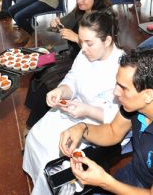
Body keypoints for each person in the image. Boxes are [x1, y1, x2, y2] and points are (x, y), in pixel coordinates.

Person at [59, 47, 153, 194]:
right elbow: (113, 131)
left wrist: (105, 181)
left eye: (123, 88)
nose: (115, 92)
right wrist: (82, 128)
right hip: (138, 174)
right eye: (117, 84)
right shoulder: (139, 103)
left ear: (148, 95)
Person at [23, 11, 123, 194]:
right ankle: (39, 180)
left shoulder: (121, 66)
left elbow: (117, 117)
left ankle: (53, 187)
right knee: (35, 135)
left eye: (89, 43)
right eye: (82, 41)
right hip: (76, 108)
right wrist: (60, 91)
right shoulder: (85, 54)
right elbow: (72, 80)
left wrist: (87, 110)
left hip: (98, 123)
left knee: (53, 156)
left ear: (107, 41)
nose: (83, 48)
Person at [25, 0, 112, 128]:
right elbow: (65, 21)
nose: (79, 1)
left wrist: (77, 38)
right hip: (75, 54)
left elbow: (102, 48)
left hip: (90, 61)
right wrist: (56, 23)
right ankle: (35, 112)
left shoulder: (104, 17)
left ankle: (35, 123)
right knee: (40, 68)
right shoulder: (82, 10)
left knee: (46, 82)